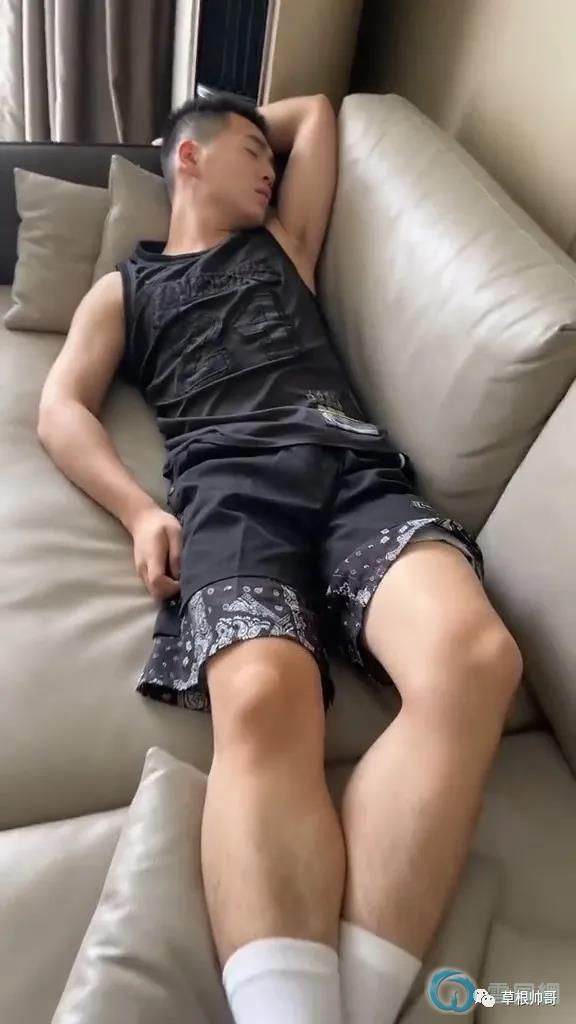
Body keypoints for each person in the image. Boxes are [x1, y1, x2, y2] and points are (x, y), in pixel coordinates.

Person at [37, 93, 523, 1024]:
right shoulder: (125, 288)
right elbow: (61, 409)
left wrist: (237, 122)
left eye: (271, 155)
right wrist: (140, 514)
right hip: (230, 491)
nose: (271, 166)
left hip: (356, 474)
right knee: (263, 698)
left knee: (477, 661)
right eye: (250, 152)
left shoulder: (284, 244)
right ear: (187, 160)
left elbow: (318, 115)